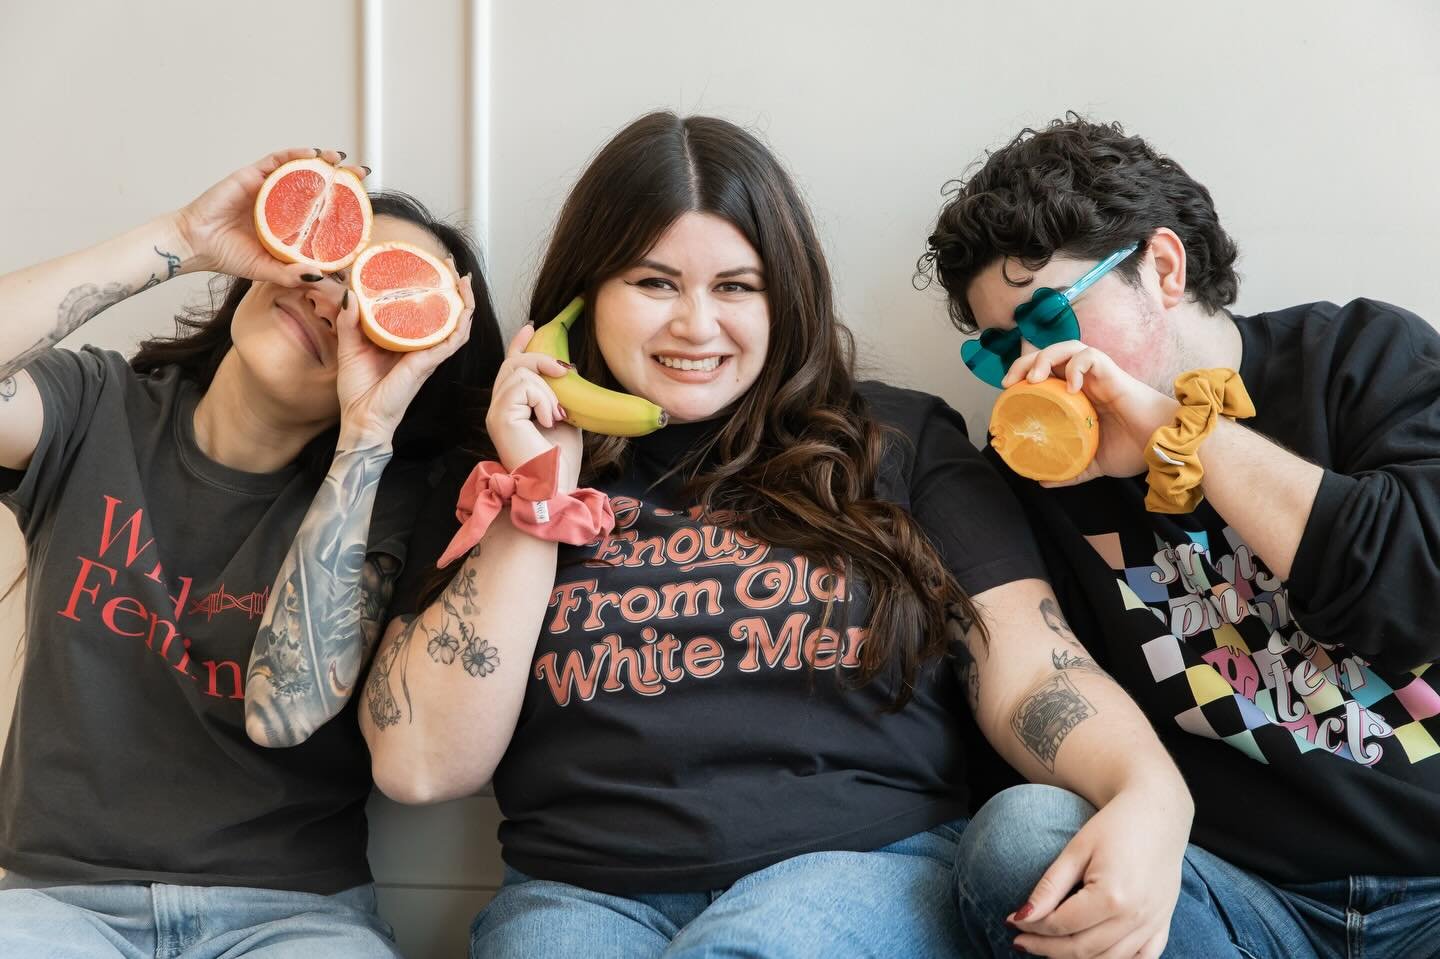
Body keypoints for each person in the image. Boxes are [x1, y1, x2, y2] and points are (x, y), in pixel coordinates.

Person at [362, 112, 1192, 959]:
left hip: (861, 869)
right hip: (584, 893)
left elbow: (1029, 665)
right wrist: (537, 491)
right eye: (653, 283)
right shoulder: (496, 466)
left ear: (782, 296)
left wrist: (1149, 789)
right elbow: (421, 764)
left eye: (735, 286)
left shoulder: (898, 441)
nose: (695, 324)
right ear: (584, 299)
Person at [920, 115, 1440, 958]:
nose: (1030, 370)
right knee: (1025, 836)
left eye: (1049, 319)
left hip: (1430, 885)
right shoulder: (1023, 482)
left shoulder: (1359, 357)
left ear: (1163, 266)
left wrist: (1179, 431)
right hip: (1234, 899)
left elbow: (1418, 596)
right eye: (1001, 349)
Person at [0, 147, 504, 957]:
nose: (330, 299)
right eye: (327, 260)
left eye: (375, 298)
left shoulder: (388, 502)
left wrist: (367, 434)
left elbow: (283, 711)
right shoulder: (96, 409)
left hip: (294, 915)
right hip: (58, 905)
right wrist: (182, 236)